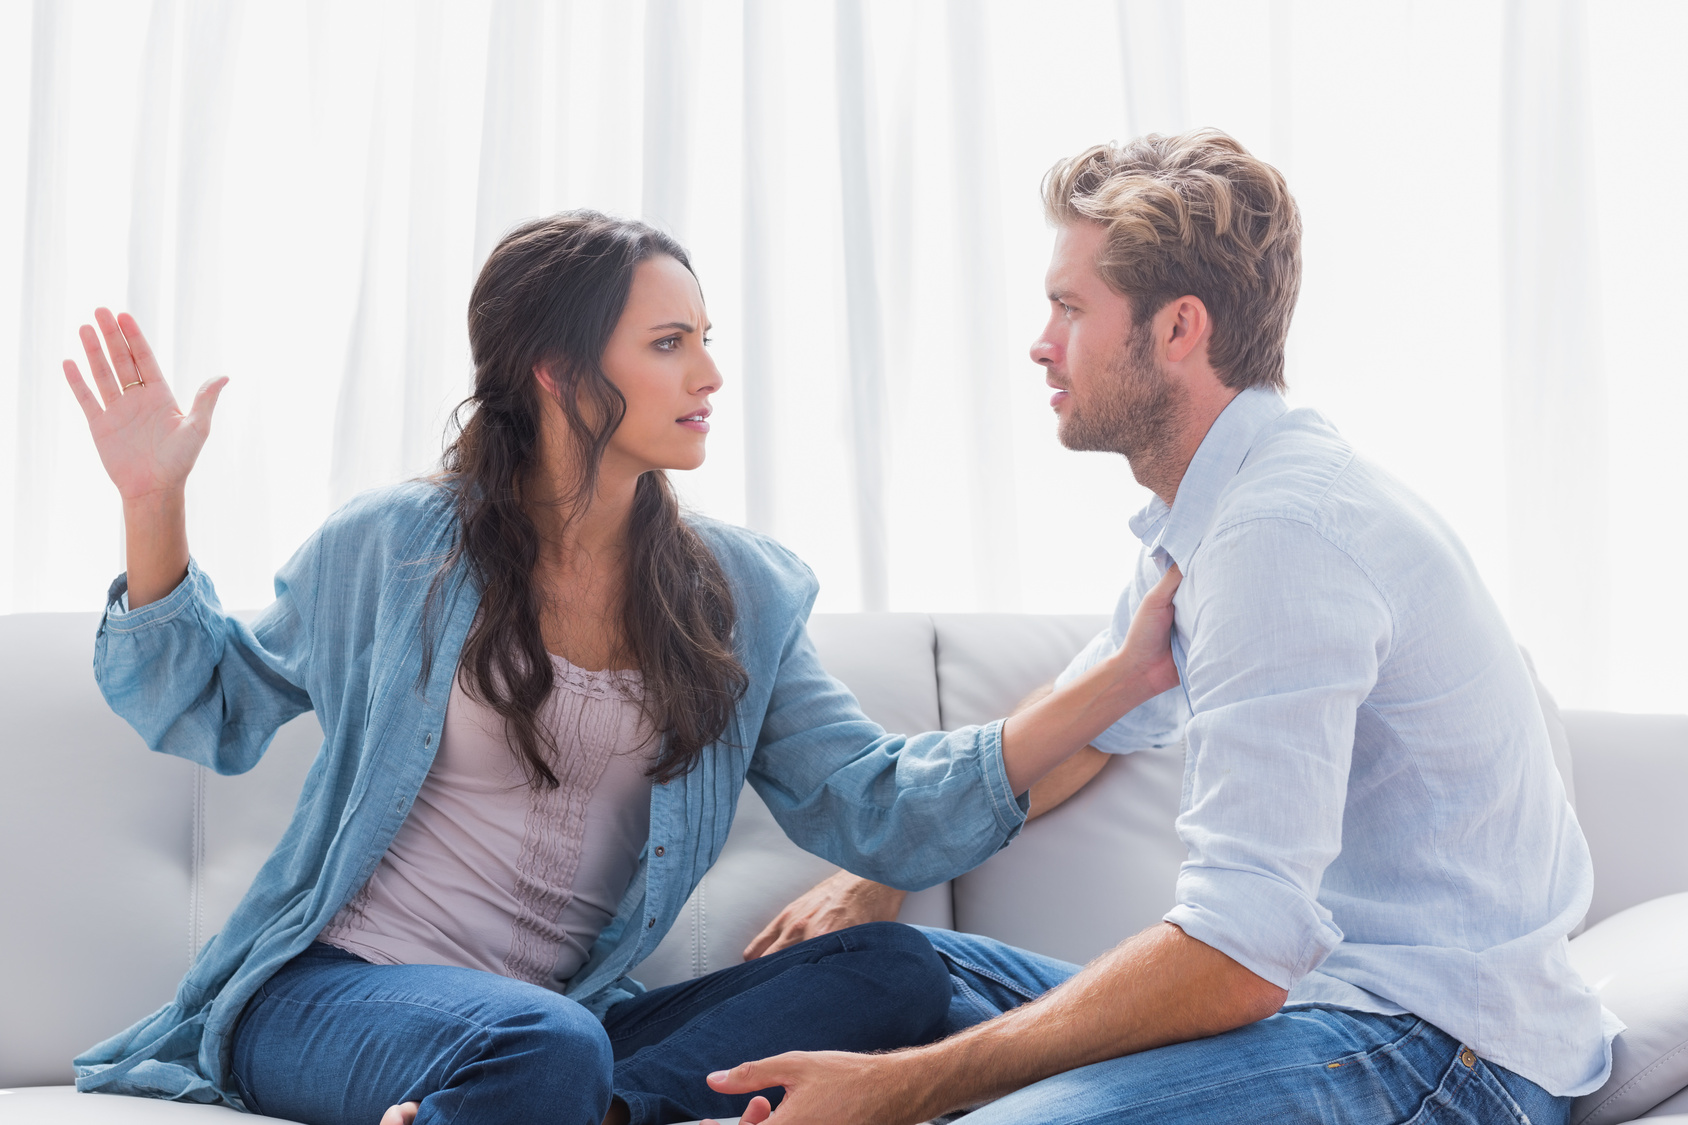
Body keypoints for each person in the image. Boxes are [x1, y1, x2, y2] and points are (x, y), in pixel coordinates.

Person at [61, 213, 1183, 1125]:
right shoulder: (400, 548)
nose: (709, 373)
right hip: (329, 995)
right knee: (536, 1043)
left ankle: (582, 1116)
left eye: (703, 337)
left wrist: (1116, 681)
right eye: (667, 344)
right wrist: (153, 508)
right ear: (553, 370)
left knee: (890, 969)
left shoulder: (736, 596)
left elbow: (877, 810)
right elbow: (212, 710)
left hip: (562, 1019)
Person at [706, 130, 1618, 1125]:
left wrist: (896, 1088)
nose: (1039, 342)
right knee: (890, 967)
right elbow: (1087, 728)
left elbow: (1238, 957)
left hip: (1434, 1048)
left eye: (1068, 307)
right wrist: (880, 871)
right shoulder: (1216, 510)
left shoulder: (1283, 534)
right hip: (1318, 1014)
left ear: (1178, 328)